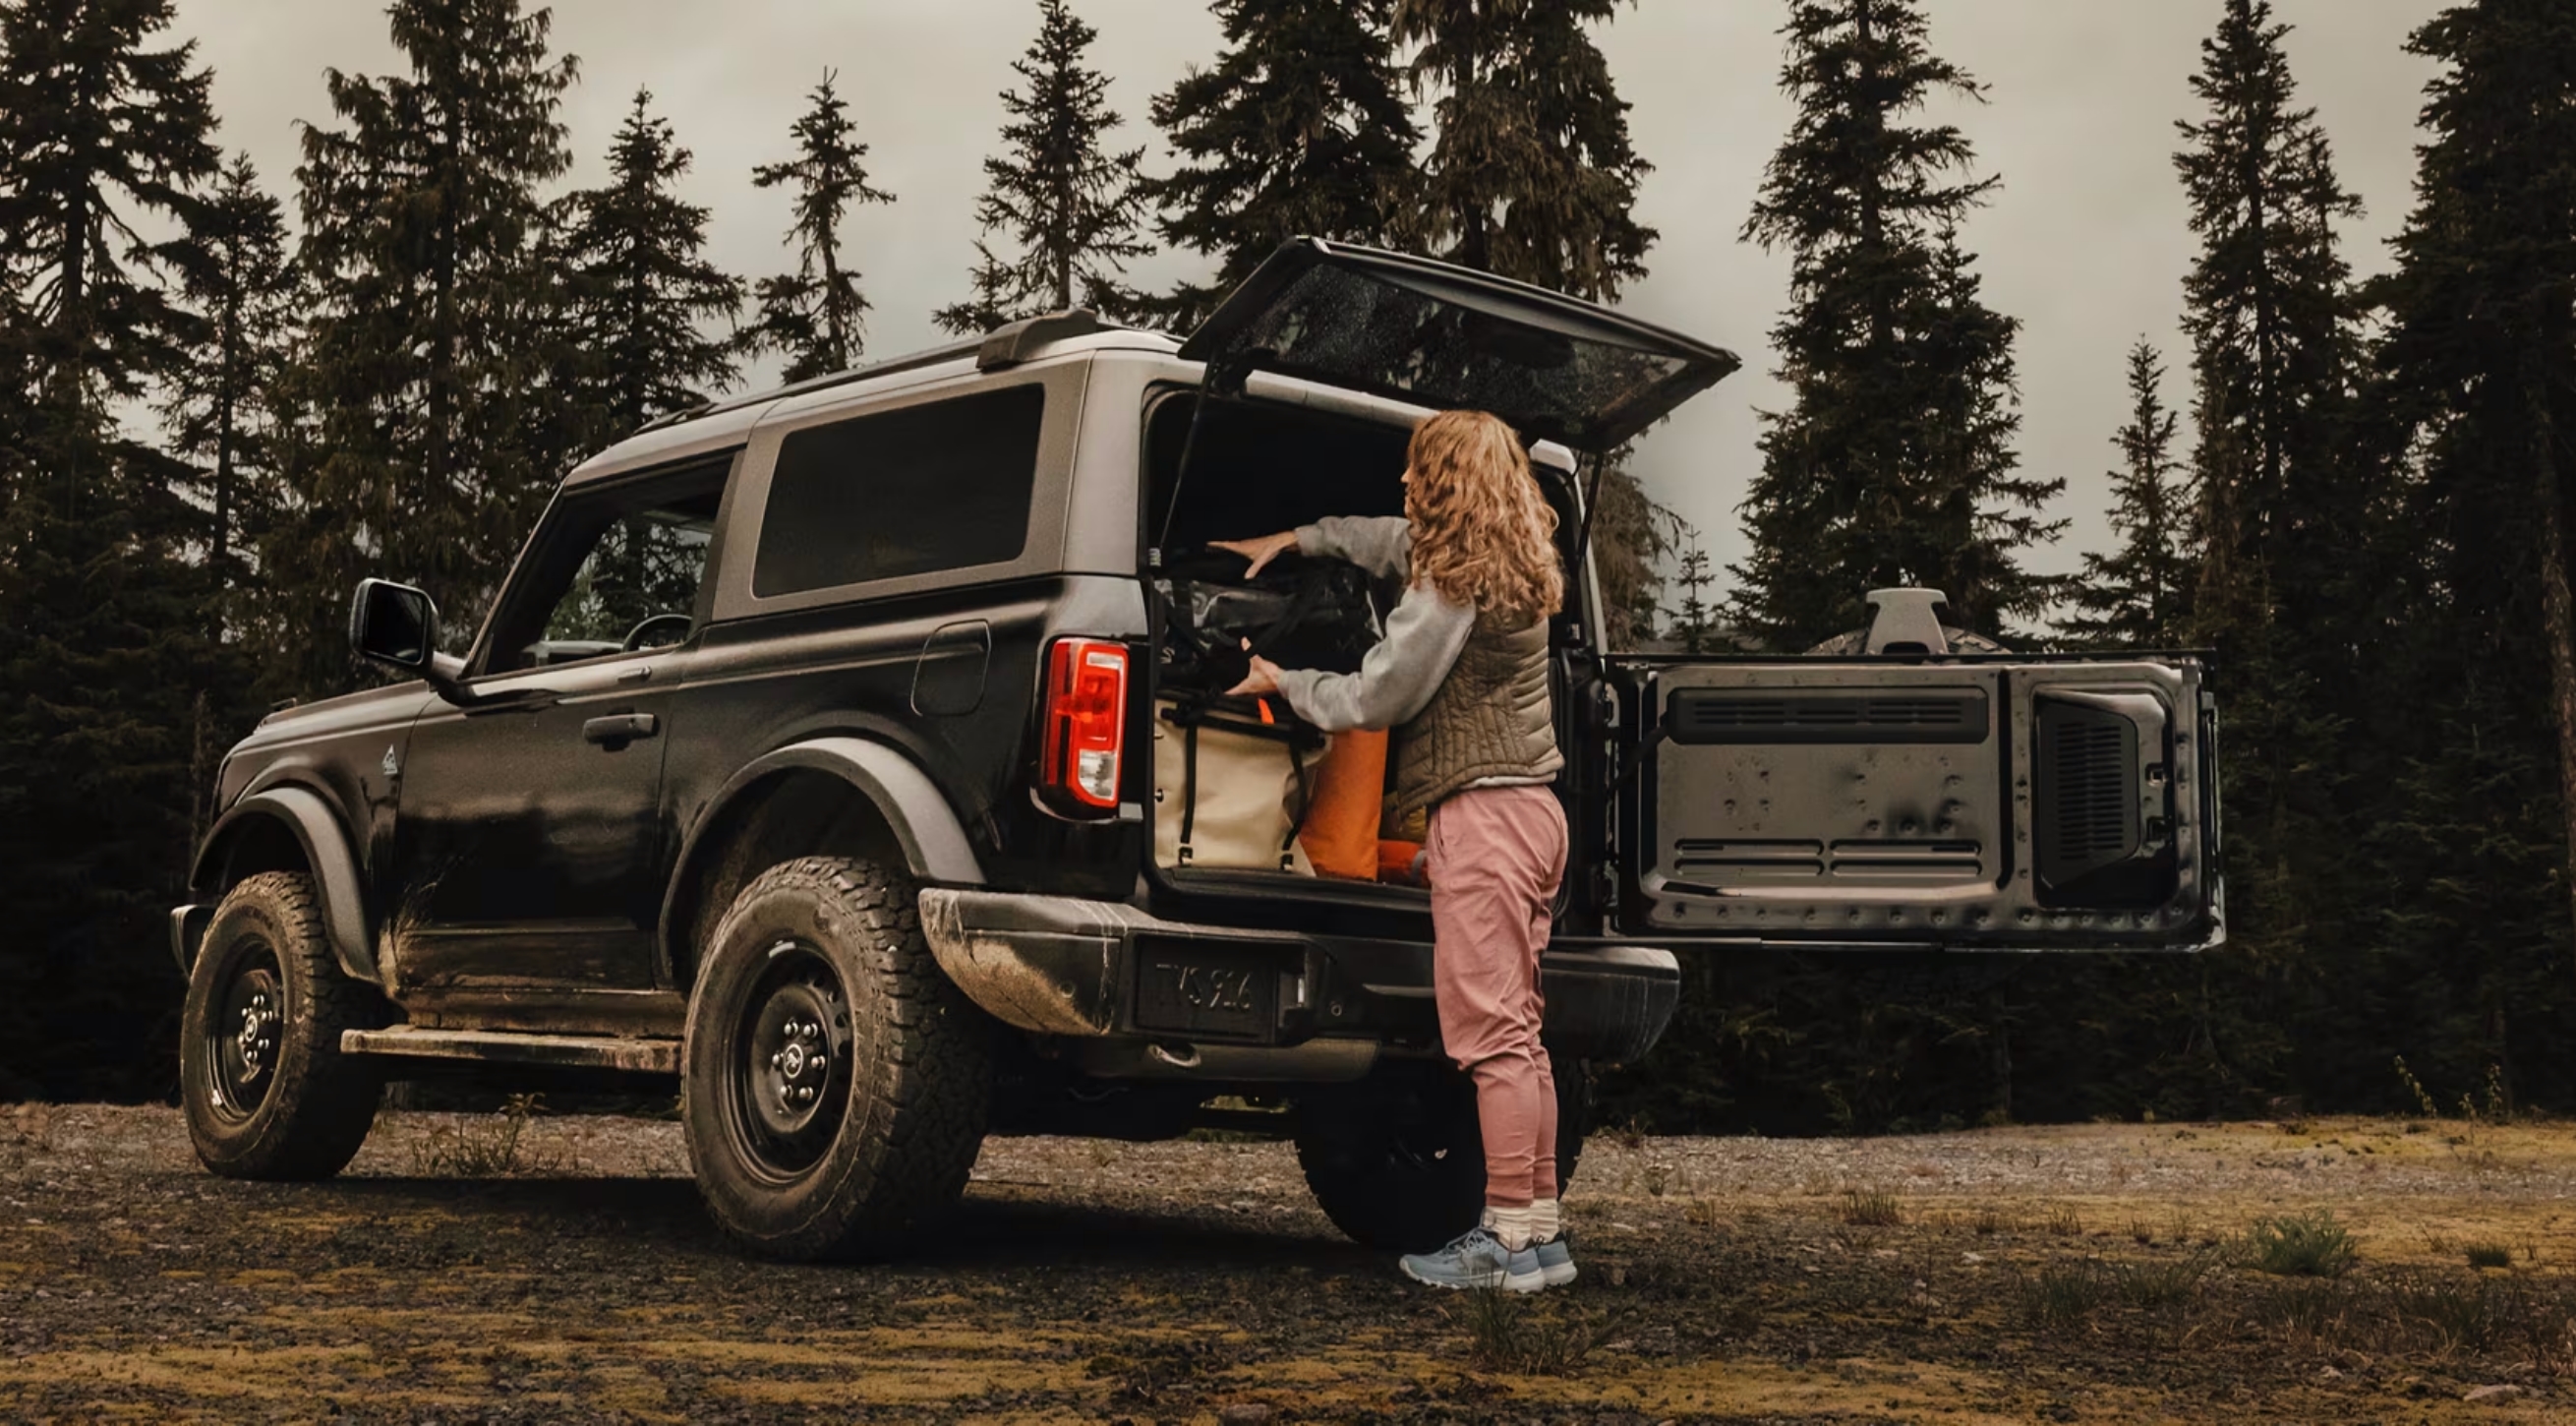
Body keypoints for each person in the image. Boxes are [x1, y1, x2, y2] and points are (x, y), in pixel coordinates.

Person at [1215, 408, 1574, 1293]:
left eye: (1420, 472)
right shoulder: (1516, 561)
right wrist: (1301, 538)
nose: (1406, 485)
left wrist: (1285, 682)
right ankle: (1539, 1236)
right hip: (1535, 814)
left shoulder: (1449, 592)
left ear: (1449, 482)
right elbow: (1389, 541)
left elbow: (1378, 695)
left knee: (1491, 1043)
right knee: (1522, 1042)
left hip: (1484, 822)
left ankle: (1504, 1243)